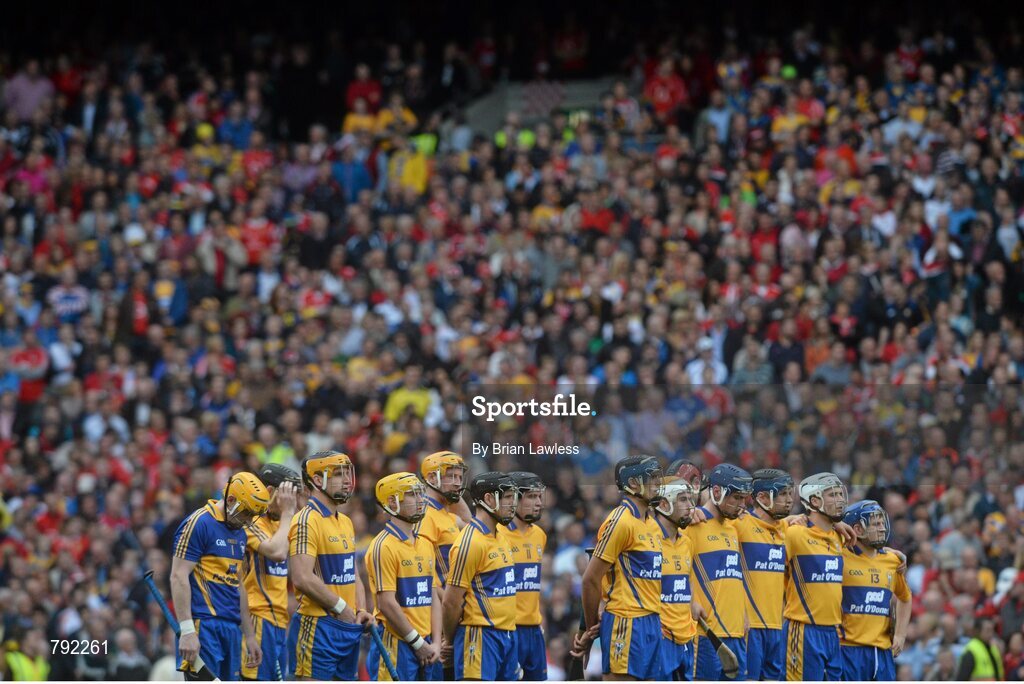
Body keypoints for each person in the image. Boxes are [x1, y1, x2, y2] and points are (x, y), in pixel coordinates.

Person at [572, 455, 665, 681]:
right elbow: (590, 579)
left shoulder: (652, 523)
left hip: (652, 621)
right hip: (626, 622)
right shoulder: (620, 521)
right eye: (651, 478)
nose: (658, 483)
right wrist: (589, 630)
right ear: (633, 484)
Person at [171, 472, 269, 680]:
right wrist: (187, 631)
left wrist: (249, 636)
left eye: (253, 515)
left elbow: (238, 585)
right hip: (204, 628)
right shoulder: (199, 523)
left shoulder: (240, 532)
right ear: (231, 500)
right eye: (246, 513)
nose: (249, 521)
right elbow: (178, 576)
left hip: (231, 630)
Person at [288, 451, 375, 681]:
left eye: (348, 472)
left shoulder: (345, 521)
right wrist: (341, 608)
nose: (347, 479)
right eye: (338, 474)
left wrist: (361, 609)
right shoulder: (306, 519)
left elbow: (352, 572)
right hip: (318, 627)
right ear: (317, 480)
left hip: (346, 627)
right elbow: (302, 577)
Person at [442, 472, 520, 681]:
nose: (513, 504)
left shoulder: (501, 535)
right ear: (487, 499)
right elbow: (450, 602)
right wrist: (449, 641)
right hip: (480, 636)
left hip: (508, 635)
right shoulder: (469, 542)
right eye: (507, 497)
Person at [365, 472, 443, 681]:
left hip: (427, 644)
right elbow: (386, 603)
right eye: (412, 494)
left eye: (420, 493)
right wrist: (418, 644)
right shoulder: (383, 546)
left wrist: (435, 642)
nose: (420, 500)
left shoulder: (425, 543)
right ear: (392, 501)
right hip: (397, 643)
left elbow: (433, 596)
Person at [688, 463, 751, 680]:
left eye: (744, 499)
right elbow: (672, 567)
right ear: (716, 492)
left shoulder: (733, 529)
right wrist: (690, 601)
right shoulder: (692, 524)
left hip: (737, 633)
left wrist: (743, 614)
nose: (742, 505)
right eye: (737, 498)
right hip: (707, 635)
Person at [783, 473, 848, 681]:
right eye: (832, 495)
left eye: (840, 494)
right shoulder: (795, 533)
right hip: (803, 630)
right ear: (814, 501)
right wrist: (787, 520)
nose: (839, 500)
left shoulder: (839, 536)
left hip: (833, 632)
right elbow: (765, 537)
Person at [839, 500, 912, 681]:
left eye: (882, 523)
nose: (882, 528)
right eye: (875, 524)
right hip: (847, 650)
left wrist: (901, 635)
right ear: (857, 530)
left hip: (882, 652)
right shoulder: (839, 555)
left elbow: (905, 598)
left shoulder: (892, 560)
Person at [241, 464, 300, 681]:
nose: (290, 502)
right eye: (287, 494)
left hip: (279, 622)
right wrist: (287, 513)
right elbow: (277, 552)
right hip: (258, 620)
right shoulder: (251, 521)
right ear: (269, 491)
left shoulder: (280, 523)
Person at [736, 468, 794, 680]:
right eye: (783, 494)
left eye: (790, 494)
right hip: (749, 627)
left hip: (776, 626)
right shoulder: (740, 524)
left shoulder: (785, 529)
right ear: (761, 497)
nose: (789, 500)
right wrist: (699, 512)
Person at [652, 476, 701, 680]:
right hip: (660, 637)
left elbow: (686, 584)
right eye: (683, 499)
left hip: (686, 638)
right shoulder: (648, 539)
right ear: (664, 504)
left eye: (690, 500)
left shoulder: (687, 542)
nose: (690, 506)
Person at [505, 472, 549, 681]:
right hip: (508, 630)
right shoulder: (497, 534)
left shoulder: (540, 535)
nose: (538, 503)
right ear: (514, 499)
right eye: (531, 497)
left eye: (539, 497)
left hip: (534, 630)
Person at [416, 451, 472, 588]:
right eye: (452, 477)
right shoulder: (425, 515)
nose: (458, 483)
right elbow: (422, 571)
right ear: (432, 478)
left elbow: (472, 529)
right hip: (443, 602)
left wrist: (452, 492)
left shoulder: (447, 515)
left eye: (460, 478)